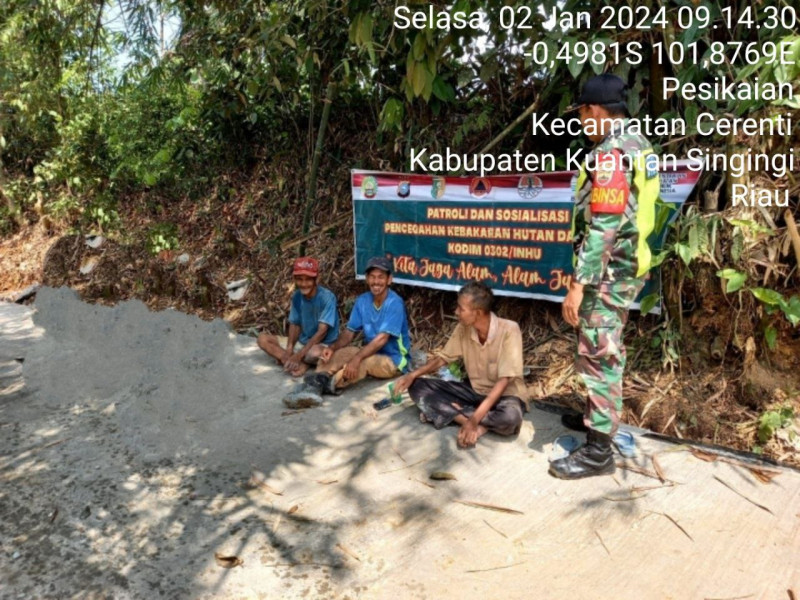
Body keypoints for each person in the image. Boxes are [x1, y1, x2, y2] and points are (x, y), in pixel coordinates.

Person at [549, 73, 660, 479]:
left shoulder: (612, 154)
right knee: (606, 348)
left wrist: (578, 285)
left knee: (600, 355)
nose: (580, 122)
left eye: (581, 113)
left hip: (606, 274)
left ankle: (598, 451)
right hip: (626, 269)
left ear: (593, 110)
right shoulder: (640, 145)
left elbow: (604, 226)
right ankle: (597, 419)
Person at [393, 282, 528, 449]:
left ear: (477, 313)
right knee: (417, 386)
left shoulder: (509, 330)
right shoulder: (463, 328)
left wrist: (474, 420)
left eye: (461, 308)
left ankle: (459, 415)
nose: (456, 312)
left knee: (510, 419)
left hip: (505, 395)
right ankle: (472, 422)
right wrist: (413, 375)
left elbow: (503, 382)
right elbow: (443, 359)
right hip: (474, 391)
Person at [304, 256, 411, 394]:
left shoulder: (394, 303)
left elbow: (382, 339)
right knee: (339, 354)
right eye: (372, 277)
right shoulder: (362, 300)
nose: (376, 281)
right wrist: (332, 348)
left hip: (394, 361)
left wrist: (357, 358)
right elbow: (349, 332)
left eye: (381, 277)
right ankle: (317, 379)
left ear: (389, 279)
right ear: (367, 279)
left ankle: (328, 385)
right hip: (370, 352)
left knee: (360, 362)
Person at [257, 256, 339, 377]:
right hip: (302, 342)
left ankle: (300, 362)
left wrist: (299, 355)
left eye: (308, 279)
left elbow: (322, 332)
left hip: (321, 344)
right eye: (299, 279)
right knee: (262, 339)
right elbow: (294, 324)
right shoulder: (297, 296)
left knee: (314, 354)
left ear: (317, 279)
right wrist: (289, 349)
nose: (303, 284)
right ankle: (291, 362)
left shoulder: (327, 297)